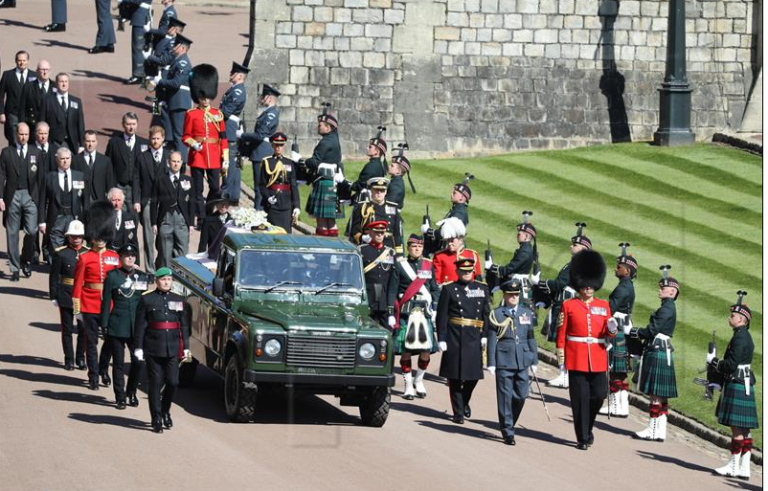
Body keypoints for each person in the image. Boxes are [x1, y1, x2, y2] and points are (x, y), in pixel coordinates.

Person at [556, 249, 616, 450]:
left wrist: (612, 329)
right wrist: (561, 354)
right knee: (580, 399)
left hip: (597, 356)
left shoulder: (604, 305)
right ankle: (582, 437)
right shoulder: (569, 305)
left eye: (592, 283)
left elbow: (608, 332)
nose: (589, 287)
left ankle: (588, 426)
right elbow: (562, 332)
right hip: (576, 356)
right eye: (586, 283)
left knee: (599, 395)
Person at [133, 267, 190, 433]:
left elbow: (184, 326)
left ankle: (165, 411)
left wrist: (186, 347)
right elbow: (140, 326)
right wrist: (138, 348)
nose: (166, 282)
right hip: (153, 347)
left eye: (169, 280)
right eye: (163, 279)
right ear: (157, 281)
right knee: (155, 384)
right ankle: (156, 417)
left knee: (173, 382)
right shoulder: (147, 300)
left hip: (172, 348)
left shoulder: (179, 300)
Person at [627, 265, 679, 442]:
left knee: (655, 395)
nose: (659, 290)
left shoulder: (666, 308)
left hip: (657, 349)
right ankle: (659, 430)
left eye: (663, 288)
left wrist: (634, 332)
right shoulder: (667, 307)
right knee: (660, 396)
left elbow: (652, 330)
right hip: (661, 349)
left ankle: (653, 429)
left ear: (672, 292)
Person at [710, 292, 758, 479]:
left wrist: (715, 363)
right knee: (744, 431)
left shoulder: (740, 338)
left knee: (737, 429)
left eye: (733, 316)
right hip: (744, 382)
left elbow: (731, 365)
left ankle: (733, 466)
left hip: (737, 382)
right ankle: (744, 467)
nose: (730, 318)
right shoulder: (743, 335)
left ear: (742, 320)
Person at [72, 201, 120, 391]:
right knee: (91, 341)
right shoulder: (84, 258)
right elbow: (77, 285)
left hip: (109, 305)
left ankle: (102, 368)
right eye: (97, 235)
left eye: (102, 235)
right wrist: (77, 309)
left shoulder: (114, 257)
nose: (100, 239)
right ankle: (93, 375)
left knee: (110, 341)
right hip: (89, 303)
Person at [437, 256, 490, 424]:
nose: (467, 274)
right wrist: (442, 337)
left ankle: (464, 401)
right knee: (455, 376)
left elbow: (486, 314)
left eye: (469, 271)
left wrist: (485, 335)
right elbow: (442, 315)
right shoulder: (449, 289)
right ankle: (458, 412)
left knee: (473, 376)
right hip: (455, 335)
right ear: (458, 272)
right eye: (463, 271)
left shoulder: (482, 288)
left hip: (474, 335)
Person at [539, 222, 592, 388]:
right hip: (564, 301)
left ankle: (565, 374)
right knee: (562, 341)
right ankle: (564, 373)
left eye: (575, 244)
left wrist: (543, 283)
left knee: (563, 341)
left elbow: (561, 283)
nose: (571, 246)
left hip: (566, 302)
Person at [387, 234, 440, 400]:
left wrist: (436, 307)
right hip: (406, 312)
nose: (417, 249)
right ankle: (408, 385)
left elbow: (434, 289)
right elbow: (392, 291)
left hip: (424, 312)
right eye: (414, 246)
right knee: (406, 351)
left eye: (420, 247)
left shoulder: (428, 265)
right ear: (408, 247)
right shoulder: (400, 265)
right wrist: (391, 313)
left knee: (426, 351)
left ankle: (419, 380)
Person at [487, 278, 538, 445]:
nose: (514, 297)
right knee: (504, 396)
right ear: (505, 295)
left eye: (516, 294)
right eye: (511, 295)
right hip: (504, 359)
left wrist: (534, 359)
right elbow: (492, 339)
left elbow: (531, 337)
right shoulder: (497, 314)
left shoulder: (526, 313)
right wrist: (491, 362)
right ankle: (507, 431)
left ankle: (509, 421)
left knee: (522, 394)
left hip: (522, 359)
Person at [100, 243, 151, 409]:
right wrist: (104, 324)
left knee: (138, 361)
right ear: (120, 258)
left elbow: (145, 303)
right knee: (119, 362)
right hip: (117, 324)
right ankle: (120, 396)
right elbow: (107, 302)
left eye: (133, 256)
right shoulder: (113, 276)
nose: (130, 258)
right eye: (126, 256)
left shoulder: (142, 277)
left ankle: (131, 391)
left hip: (136, 326)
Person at [182, 64, 228, 229]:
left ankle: (208, 212)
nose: (205, 99)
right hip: (198, 156)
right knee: (197, 190)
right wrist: (194, 143)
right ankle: (201, 217)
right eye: (203, 97)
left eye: (207, 97)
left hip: (214, 156)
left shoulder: (218, 114)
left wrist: (225, 158)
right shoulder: (191, 114)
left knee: (216, 188)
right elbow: (185, 136)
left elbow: (223, 138)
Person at [0, 123, 44, 281]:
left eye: (26, 134)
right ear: (16, 134)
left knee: (32, 231)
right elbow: (1, 175)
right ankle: (14, 268)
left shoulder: (36, 153)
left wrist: (40, 200)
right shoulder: (6, 152)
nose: (24, 137)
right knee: (12, 233)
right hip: (12, 196)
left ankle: (25, 260)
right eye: (21, 134)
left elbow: (41, 179)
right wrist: (0, 198)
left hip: (30, 196)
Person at [599, 243, 637, 418]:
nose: (616, 269)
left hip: (617, 328)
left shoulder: (622, 288)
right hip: (623, 326)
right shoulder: (627, 286)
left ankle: (615, 405)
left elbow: (610, 309)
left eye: (619, 267)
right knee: (620, 371)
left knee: (614, 368)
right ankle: (622, 406)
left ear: (627, 271)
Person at [294, 104, 343, 236]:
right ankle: (334, 245)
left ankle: (322, 245)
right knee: (331, 222)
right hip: (332, 183)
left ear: (328, 127)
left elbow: (315, 162)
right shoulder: (334, 140)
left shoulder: (325, 142)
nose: (318, 126)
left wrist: (300, 159)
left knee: (321, 221)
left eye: (320, 124)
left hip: (323, 182)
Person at [49, 220, 88, 370]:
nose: (76, 239)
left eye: (78, 236)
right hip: (66, 293)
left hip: (83, 295)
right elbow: (54, 276)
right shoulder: (61, 253)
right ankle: (69, 359)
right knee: (67, 329)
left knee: (83, 329)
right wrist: (53, 295)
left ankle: (80, 358)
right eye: (73, 236)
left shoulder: (87, 252)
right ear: (68, 237)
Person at [149, 34, 192, 159]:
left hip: (177, 100)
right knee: (172, 129)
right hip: (169, 97)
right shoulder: (176, 59)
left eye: (176, 45)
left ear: (182, 48)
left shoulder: (182, 61)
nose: (173, 47)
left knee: (179, 134)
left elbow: (176, 82)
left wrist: (159, 81)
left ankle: (181, 162)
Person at [133, 126, 169, 272]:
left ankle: (160, 264)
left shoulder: (169, 156)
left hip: (164, 201)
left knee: (163, 236)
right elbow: (136, 180)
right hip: (147, 200)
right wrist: (136, 200)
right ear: (149, 139)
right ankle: (150, 270)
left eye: (158, 138)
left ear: (163, 139)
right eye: (153, 138)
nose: (155, 141)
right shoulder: (142, 157)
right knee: (148, 237)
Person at [38, 147, 88, 251]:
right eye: (62, 159)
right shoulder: (49, 177)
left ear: (71, 158)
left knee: (74, 248)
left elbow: (85, 200)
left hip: (74, 217)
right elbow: (42, 201)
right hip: (56, 218)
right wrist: (42, 222)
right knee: (57, 250)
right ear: (57, 159)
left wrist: (85, 221)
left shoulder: (79, 176)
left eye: (67, 158)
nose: (65, 161)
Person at [151, 150, 193, 268]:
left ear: (181, 163)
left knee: (183, 253)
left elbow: (192, 203)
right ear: (168, 162)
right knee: (165, 253)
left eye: (178, 162)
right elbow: (154, 202)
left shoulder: (188, 180)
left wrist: (191, 223)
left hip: (182, 221)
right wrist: (154, 222)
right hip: (165, 220)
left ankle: (180, 279)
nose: (176, 164)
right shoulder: (160, 179)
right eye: (173, 161)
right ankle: (166, 278)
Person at [255, 132, 299, 232]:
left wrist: (296, 206)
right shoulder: (267, 162)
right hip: (272, 203)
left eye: (281, 145)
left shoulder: (289, 162)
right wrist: (268, 197)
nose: (279, 147)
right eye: (276, 145)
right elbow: (262, 185)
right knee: (272, 233)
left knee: (286, 234)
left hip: (286, 204)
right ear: (272, 145)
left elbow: (293, 186)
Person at [348, 177, 402, 253]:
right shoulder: (362, 207)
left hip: (388, 247)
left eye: (382, 190)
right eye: (376, 190)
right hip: (368, 245)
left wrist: (399, 252)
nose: (379, 193)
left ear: (386, 192)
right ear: (371, 190)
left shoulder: (393, 208)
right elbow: (354, 231)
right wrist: (363, 238)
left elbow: (397, 233)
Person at [219, 62, 249, 203]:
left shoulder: (237, 91)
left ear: (240, 76)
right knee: (231, 162)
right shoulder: (234, 89)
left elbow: (225, 111)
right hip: (229, 127)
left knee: (229, 162)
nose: (230, 74)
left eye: (233, 73)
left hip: (229, 128)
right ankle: (232, 193)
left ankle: (227, 192)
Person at [105, 113, 148, 210]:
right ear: (123, 124)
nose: (131, 127)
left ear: (137, 124)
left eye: (134, 124)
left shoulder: (144, 143)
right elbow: (108, 164)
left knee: (135, 218)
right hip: (119, 186)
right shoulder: (114, 142)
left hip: (137, 189)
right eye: (128, 124)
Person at [238, 84, 280, 182]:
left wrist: (242, 135)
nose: (261, 98)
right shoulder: (267, 112)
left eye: (263, 96)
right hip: (259, 151)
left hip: (262, 152)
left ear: (269, 98)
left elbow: (260, 135)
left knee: (260, 187)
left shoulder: (271, 114)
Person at [359, 220, 397, 328]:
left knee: (388, 330)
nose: (379, 235)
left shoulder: (390, 252)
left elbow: (393, 277)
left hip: (384, 298)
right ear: (370, 232)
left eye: (382, 232)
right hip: (369, 296)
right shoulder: (362, 250)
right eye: (376, 232)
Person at [422, 175, 472, 256]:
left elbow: (446, 233)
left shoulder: (459, 212)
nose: (451, 194)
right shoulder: (457, 209)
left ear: (461, 198)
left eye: (454, 193)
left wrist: (428, 231)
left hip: (452, 252)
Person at [486, 211, 537, 285]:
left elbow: (508, 270)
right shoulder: (527, 248)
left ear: (526, 236)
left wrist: (492, 266)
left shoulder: (524, 252)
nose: (517, 235)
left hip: (516, 284)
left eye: (519, 234)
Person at [42, 73, 85, 153]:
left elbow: (80, 124)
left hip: (72, 143)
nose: (64, 84)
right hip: (54, 142)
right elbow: (42, 122)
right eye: (61, 81)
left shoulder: (76, 101)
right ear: (56, 83)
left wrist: (82, 145)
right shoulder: (47, 101)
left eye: (66, 81)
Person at [72, 130, 116, 203]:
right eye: (88, 141)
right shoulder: (75, 160)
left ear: (96, 142)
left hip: (99, 201)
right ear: (83, 142)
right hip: (80, 202)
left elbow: (110, 184)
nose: (90, 144)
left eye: (93, 141)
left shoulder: (105, 161)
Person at [347, 127, 387, 204]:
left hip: (364, 202)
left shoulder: (371, 166)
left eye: (370, 147)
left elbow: (360, 185)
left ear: (376, 152)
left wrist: (344, 182)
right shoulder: (378, 165)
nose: (367, 148)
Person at [0, 51, 30, 145]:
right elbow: (1, 95)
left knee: (28, 141)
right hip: (12, 114)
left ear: (28, 61)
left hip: (28, 115)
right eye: (19, 60)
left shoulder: (33, 76)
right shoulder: (7, 75)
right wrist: (1, 113)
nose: (22, 63)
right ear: (16, 61)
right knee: (13, 140)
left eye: (24, 60)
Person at [121, 0, 152, 83]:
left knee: (138, 47)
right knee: (138, 47)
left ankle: (138, 75)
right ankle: (139, 73)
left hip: (141, 18)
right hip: (140, 17)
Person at [19, 60, 54, 131]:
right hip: (32, 127)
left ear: (50, 71)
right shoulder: (28, 86)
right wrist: (22, 126)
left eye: (47, 69)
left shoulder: (55, 87)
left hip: (51, 129)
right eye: (42, 69)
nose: (45, 72)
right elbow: (22, 108)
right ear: (37, 71)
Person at [107, 188, 140, 257]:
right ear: (109, 201)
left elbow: (134, 240)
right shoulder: (104, 218)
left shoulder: (130, 217)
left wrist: (136, 262)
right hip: (108, 255)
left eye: (119, 200)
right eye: (114, 200)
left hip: (125, 255)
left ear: (122, 201)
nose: (116, 203)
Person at [385, 145, 409, 210]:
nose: (389, 166)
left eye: (392, 166)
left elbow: (389, 202)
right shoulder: (396, 181)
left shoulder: (396, 184)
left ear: (398, 171)